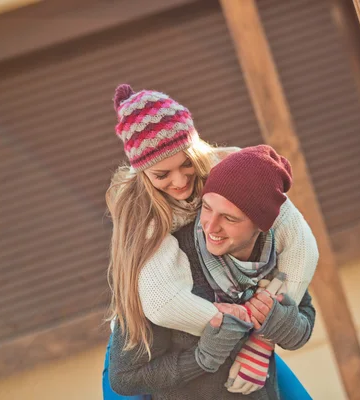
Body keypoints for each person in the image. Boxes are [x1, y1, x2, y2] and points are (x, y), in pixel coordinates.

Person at [103, 84, 317, 398]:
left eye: (185, 163)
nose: (179, 181)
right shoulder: (144, 219)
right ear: (143, 173)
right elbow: (160, 304)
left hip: (237, 355)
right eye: (162, 174)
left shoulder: (230, 182)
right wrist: (225, 326)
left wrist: (265, 333)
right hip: (153, 348)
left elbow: (299, 246)